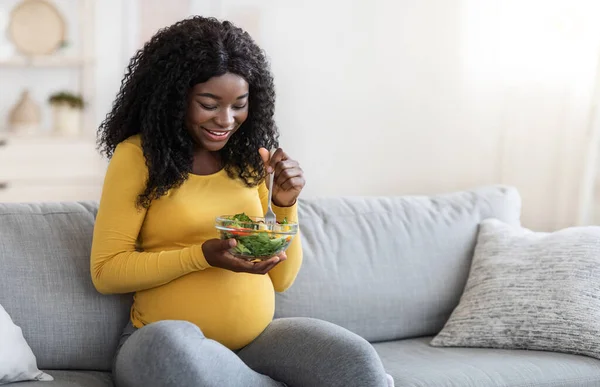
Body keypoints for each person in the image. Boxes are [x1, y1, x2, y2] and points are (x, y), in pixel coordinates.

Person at [90, 16, 393, 387]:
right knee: (175, 351)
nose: (226, 119)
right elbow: (106, 272)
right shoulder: (138, 156)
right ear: (174, 97)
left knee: (355, 362)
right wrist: (202, 256)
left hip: (255, 342)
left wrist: (284, 204)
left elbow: (282, 278)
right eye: (209, 103)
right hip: (161, 343)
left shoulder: (248, 158)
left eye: (239, 105)